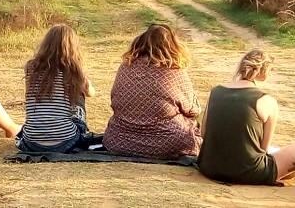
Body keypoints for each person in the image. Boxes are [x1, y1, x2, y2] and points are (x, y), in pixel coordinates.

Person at [103, 24, 202, 159]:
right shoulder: (174, 71)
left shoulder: (125, 66)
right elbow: (193, 110)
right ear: (173, 45)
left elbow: (114, 100)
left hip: (119, 141)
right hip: (167, 144)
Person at [198, 49, 295, 185]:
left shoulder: (215, 91)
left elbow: (203, 133)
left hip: (209, 167)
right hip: (247, 172)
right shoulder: (266, 100)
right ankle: (273, 176)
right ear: (265, 72)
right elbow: (263, 149)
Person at [16, 24, 96, 153]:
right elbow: (90, 93)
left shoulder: (31, 67)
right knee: (79, 93)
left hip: (31, 142)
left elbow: (29, 94)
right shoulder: (74, 71)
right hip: (65, 140)